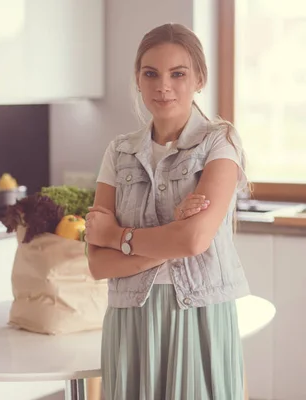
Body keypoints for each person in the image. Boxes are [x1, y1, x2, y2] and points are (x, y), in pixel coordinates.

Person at [84, 23, 250, 400]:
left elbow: (192, 239)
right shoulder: (118, 151)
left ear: (199, 79)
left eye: (178, 74)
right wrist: (168, 237)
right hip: (129, 318)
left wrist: (116, 237)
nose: (164, 86)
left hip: (198, 314)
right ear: (138, 81)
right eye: (151, 74)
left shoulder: (220, 142)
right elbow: (97, 264)